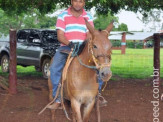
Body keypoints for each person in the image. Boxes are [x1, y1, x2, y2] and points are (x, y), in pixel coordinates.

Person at [48, 0, 107, 109]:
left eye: (81, 1)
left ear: (84, 3)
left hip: (84, 47)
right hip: (66, 47)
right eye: (75, 1)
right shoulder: (63, 16)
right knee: (54, 68)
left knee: (100, 66)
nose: (78, 3)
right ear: (71, 1)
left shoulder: (88, 17)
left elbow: (90, 34)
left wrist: (83, 45)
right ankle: (57, 98)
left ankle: (97, 94)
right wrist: (70, 44)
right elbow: (60, 35)